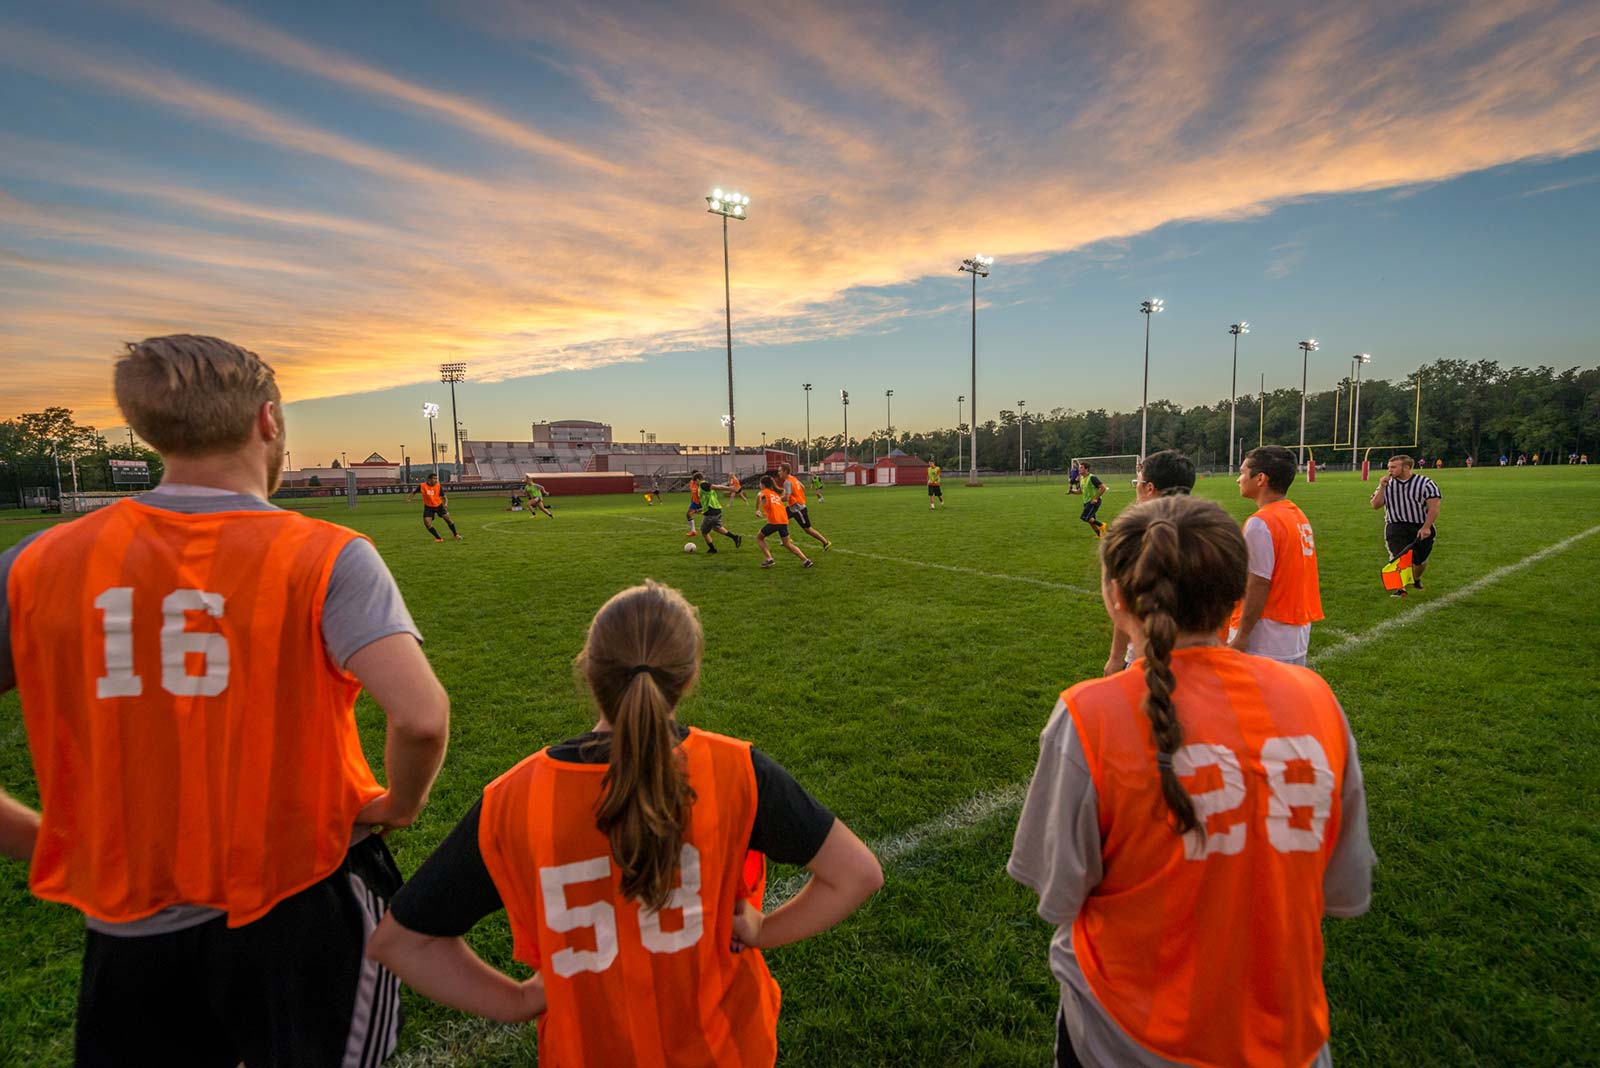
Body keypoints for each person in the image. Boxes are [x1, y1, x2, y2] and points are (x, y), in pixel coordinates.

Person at [0, 335, 451, 1066]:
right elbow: (422, 716)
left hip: (131, 918)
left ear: (147, 430)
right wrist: (399, 806)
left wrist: (43, 837)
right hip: (301, 892)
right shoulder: (324, 552)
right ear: (268, 421)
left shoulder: (41, 560)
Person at [368, 582, 882, 1066]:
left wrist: (520, 1000)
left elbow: (402, 942)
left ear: (590, 671)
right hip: (725, 1048)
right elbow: (857, 874)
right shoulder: (737, 771)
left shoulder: (515, 798)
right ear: (688, 676)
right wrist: (764, 928)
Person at [1009, 494, 1374, 1068]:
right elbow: (1343, 890)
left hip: (1121, 1039)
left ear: (1114, 596)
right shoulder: (1315, 699)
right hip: (1289, 1041)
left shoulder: (1090, 715)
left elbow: (1057, 891)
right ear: (1234, 597)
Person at [1102, 450, 1194, 675]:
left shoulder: (1139, 535)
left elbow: (1127, 599)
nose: (1136, 486)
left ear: (1149, 487)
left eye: (1138, 482)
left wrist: (1115, 657)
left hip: (1147, 654)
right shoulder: (1209, 532)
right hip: (1203, 655)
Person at [1229, 446, 1323, 665]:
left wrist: (1242, 636)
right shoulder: (1297, 515)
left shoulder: (1261, 523)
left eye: (1243, 472)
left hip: (1265, 637)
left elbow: (1258, 583)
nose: (1238, 479)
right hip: (1294, 631)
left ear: (1260, 478)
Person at [1369, 454, 1442, 596]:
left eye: (1394, 467)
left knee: (1420, 560)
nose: (1390, 470)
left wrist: (1427, 526)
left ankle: (1416, 578)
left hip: (1420, 525)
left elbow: (1434, 507)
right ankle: (1400, 588)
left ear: (1406, 467)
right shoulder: (1386, 483)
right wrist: (1382, 487)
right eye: (1389, 467)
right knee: (1397, 557)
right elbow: (1375, 505)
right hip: (1396, 526)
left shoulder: (1425, 483)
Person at [757, 475, 813, 568]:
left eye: (760, 483)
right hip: (783, 520)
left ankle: (769, 559)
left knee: (759, 537)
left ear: (762, 484)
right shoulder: (774, 494)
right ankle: (806, 560)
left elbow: (759, 495)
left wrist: (757, 509)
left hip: (775, 521)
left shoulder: (764, 492)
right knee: (787, 544)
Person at [778, 462, 832, 550]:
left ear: (785, 471)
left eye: (780, 471)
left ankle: (825, 542)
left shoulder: (787, 482)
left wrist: (776, 499)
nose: (778, 473)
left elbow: (786, 498)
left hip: (798, 509)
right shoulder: (793, 478)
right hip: (793, 507)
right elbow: (802, 487)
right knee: (780, 519)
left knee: (808, 529)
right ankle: (786, 539)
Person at [694, 475, 744, 554]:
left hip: (711, 512)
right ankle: (735, 537)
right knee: (717, 528)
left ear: (697, 479)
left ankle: (712, 549)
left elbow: (718, 487)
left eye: (695, 481)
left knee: (704, 532)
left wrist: (730, 488)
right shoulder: (705, 487)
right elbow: (709, 499)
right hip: (716, 510)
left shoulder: (702, 484)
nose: (695, 483)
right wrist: (701, 509)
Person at [409, 472, 462, 542]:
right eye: (434, 478)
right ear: (429, 480)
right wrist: (409, 498)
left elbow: (445, 497)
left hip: (439, 506)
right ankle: (438, 538)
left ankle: (456, 535)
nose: (436, 480)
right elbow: (414, 492)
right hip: (428, 507)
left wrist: (445, 504)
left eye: (436, 478)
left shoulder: (438, 486)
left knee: (448, 520)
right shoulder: (422, 486)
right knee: (427, 523)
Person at [1078, 461, 1107, 538]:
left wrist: (1095, 499)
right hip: (1086, 502)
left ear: (1086, 469)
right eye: (1079, 468)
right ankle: (1100, 535)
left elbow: (1103, 488)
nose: (1079, 469)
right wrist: (1072, 492)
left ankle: (1101, 525)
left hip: (1093, 502)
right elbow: (1081, 491)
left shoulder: (1092, 477)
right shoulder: (1081, 478)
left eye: (1081, 468)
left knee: (1084, 517)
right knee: (1091, 520)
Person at [685, 470, 704, 536]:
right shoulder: (691, 482)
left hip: (702, 502)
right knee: (688, 514)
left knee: (708, 517)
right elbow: (693, 493)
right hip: (695, 502)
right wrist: (691, 502)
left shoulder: (700, 483)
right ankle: (693, 531)